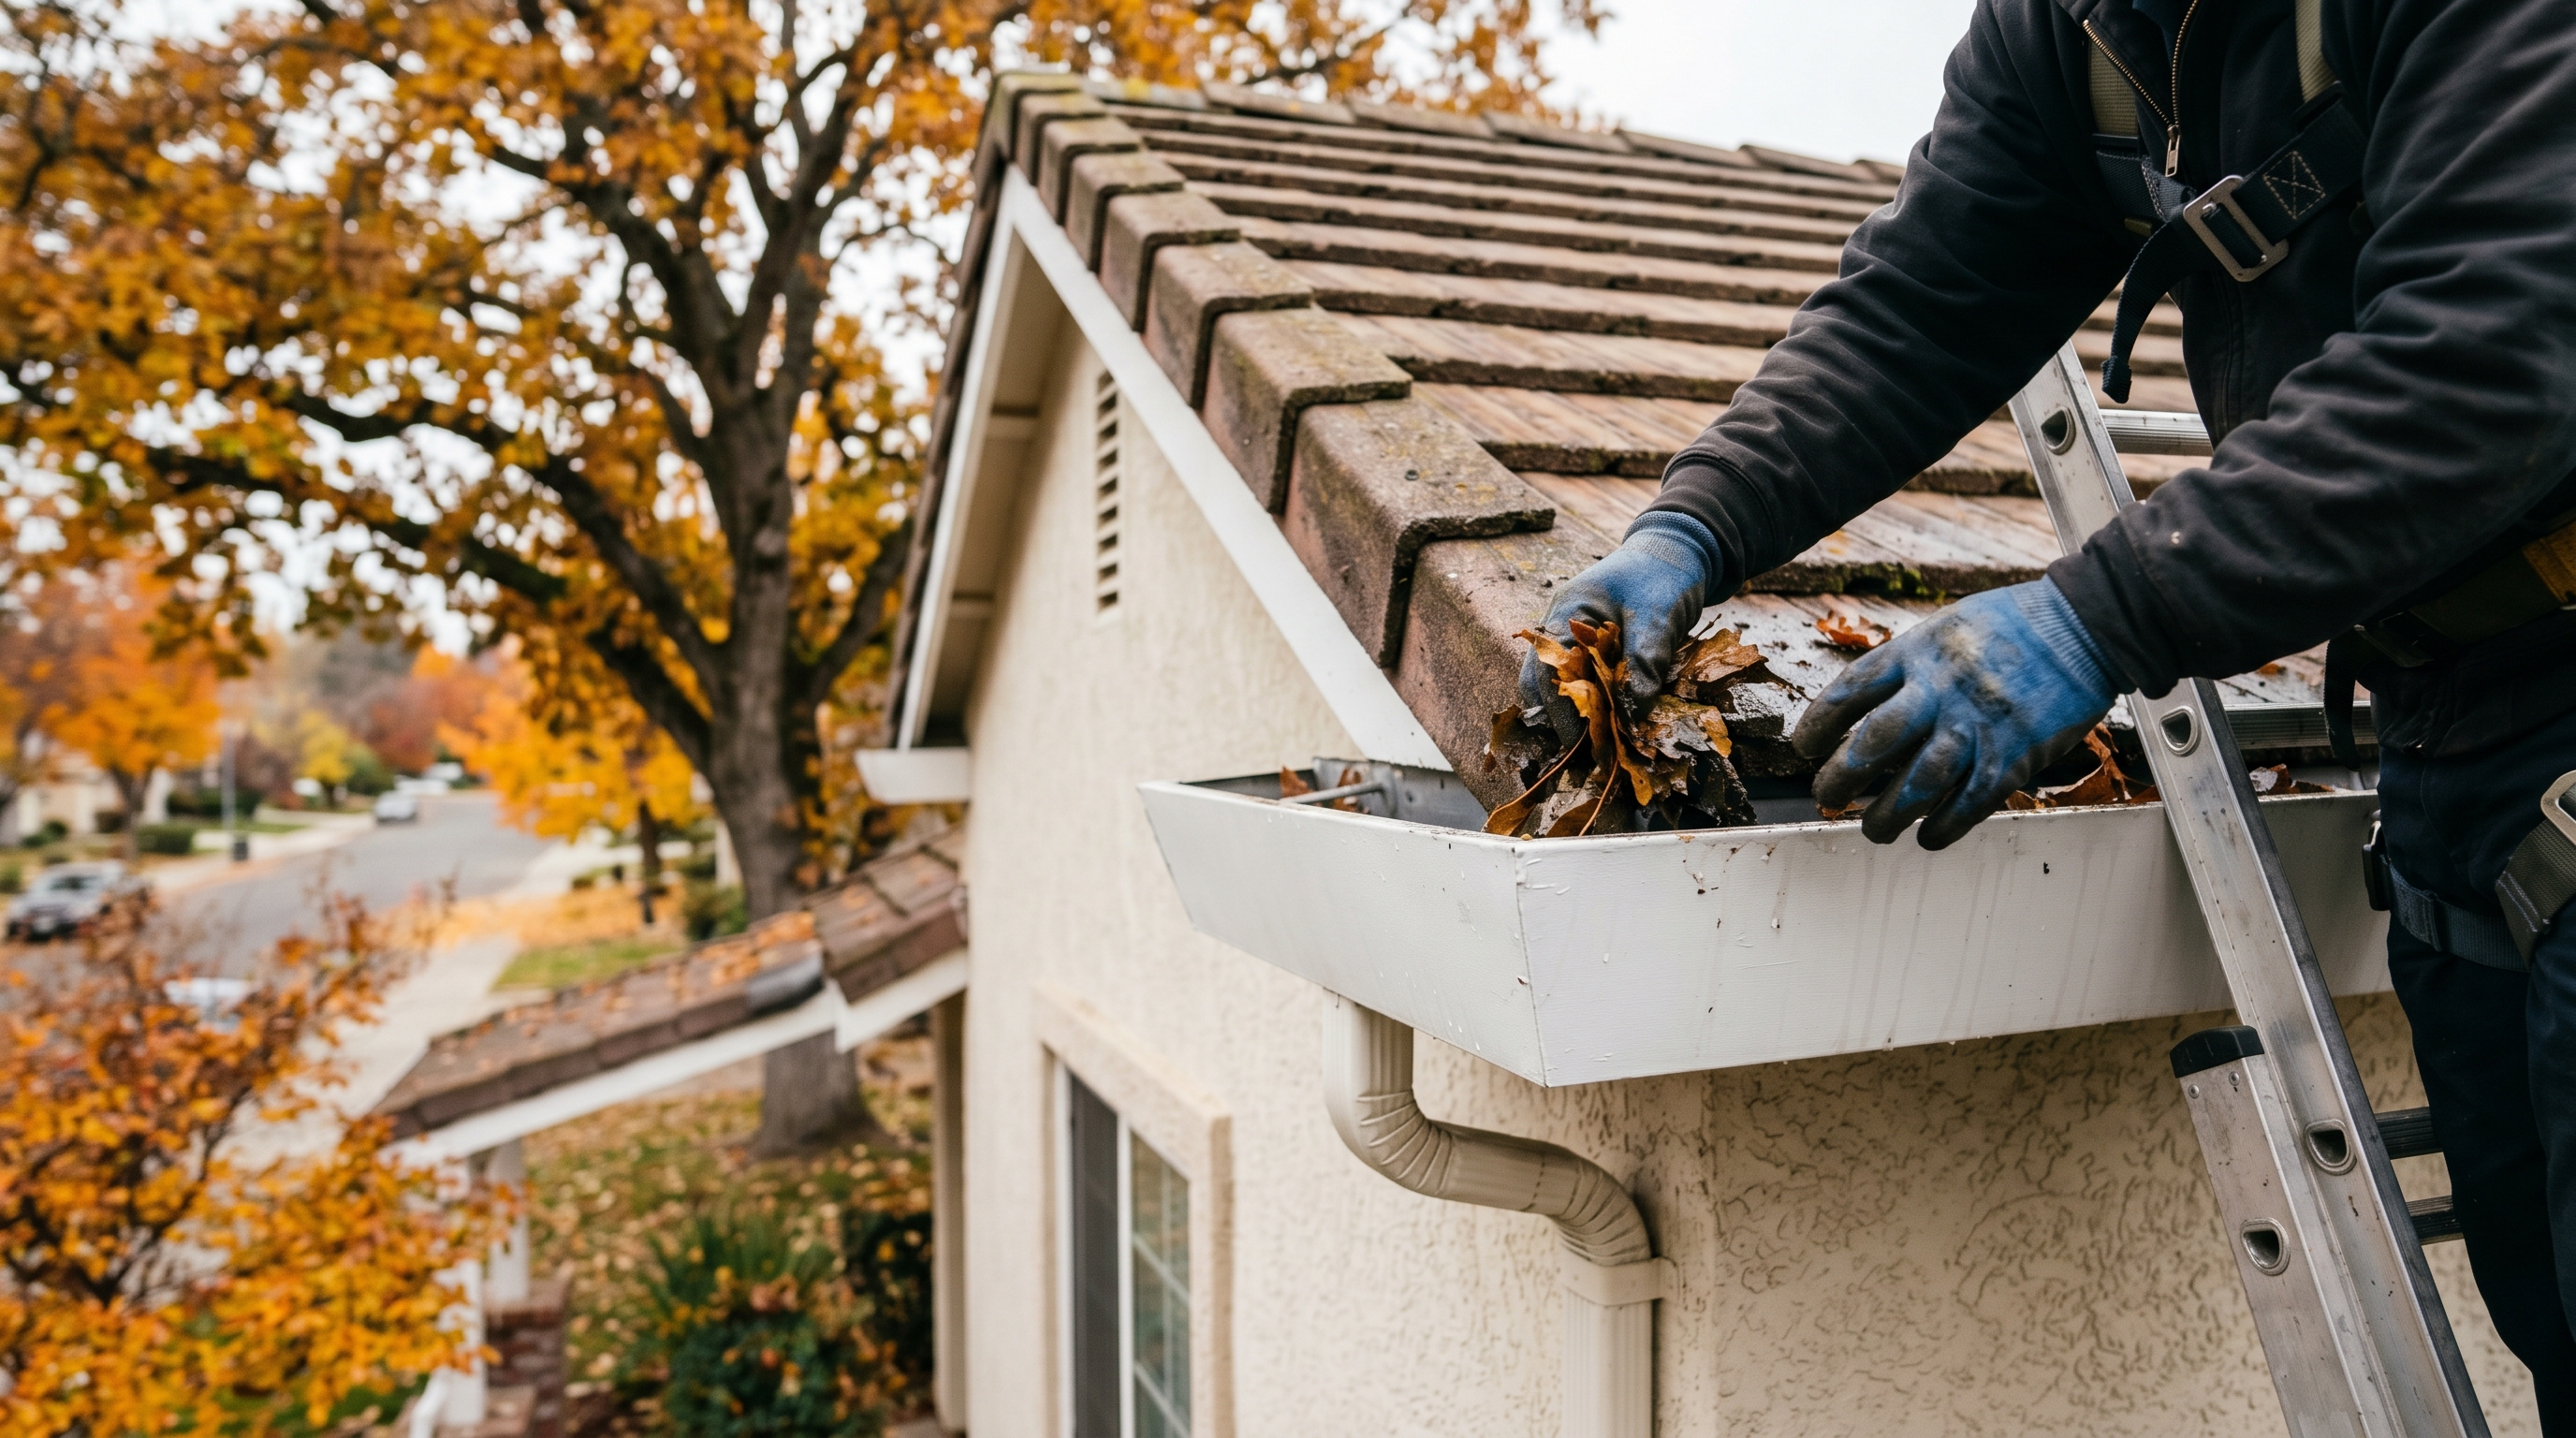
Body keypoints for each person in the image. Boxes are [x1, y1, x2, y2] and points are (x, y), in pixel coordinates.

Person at [1522, 0, 2576, 1419]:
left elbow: (2497, 349)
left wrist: (2100, 615)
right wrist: (1695, 527)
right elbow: (1920, 301)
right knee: (2553, 1322)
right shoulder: (2072, 28)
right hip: (2457, 739)